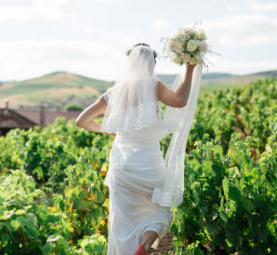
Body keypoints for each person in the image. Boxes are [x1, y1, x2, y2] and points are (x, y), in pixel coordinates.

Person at [75, 43, 199, 255]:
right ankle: (145, 247)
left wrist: (109, 130)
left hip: (123, 166)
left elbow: (81, 120)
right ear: (152, 63)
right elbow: (179, 101)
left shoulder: (113, 92)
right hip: (149, 162)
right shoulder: (154, 85)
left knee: (124, 219)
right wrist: (189, 69)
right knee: (159, 213)